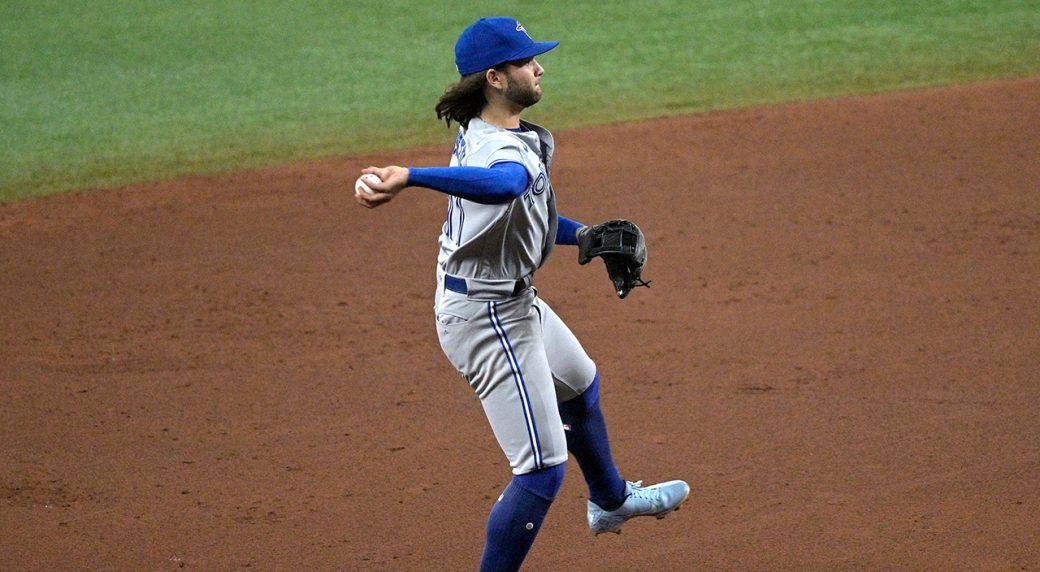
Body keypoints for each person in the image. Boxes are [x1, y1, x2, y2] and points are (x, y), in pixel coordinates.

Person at [355, 17, 689, 571]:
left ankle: (610, 500)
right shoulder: (495, 149)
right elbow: (507, 183)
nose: (539, 69)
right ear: (495, 77)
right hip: (484, 316)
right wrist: (410, 175)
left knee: (579, 382)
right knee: (540, 469)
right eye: (526, 61)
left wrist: (583, 236)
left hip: (511, 298)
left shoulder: (500, 132)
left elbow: (523, 211)